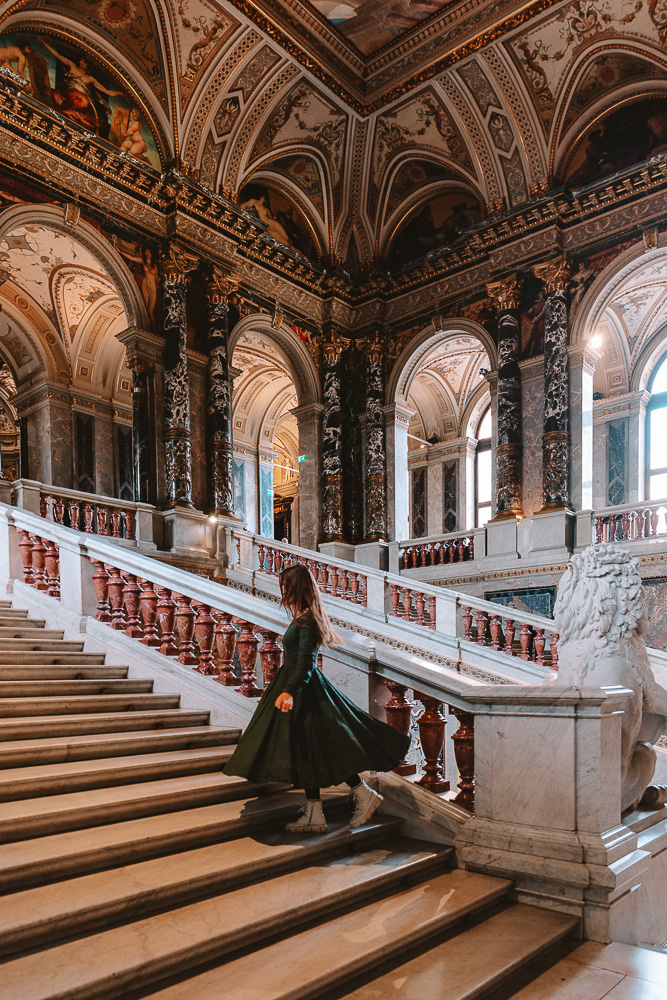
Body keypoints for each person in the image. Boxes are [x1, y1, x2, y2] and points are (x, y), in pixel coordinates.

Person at [224, 563, 411, 833]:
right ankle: (317, 810)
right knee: (309, 750)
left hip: (303, 692)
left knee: (327, 746)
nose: (283, 591)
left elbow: (306, 664)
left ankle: (360, 794)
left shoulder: (307, 619)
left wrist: (289, 691)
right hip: (301, 690)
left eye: (286, 586)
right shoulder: (304, 617)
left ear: (297, 587)